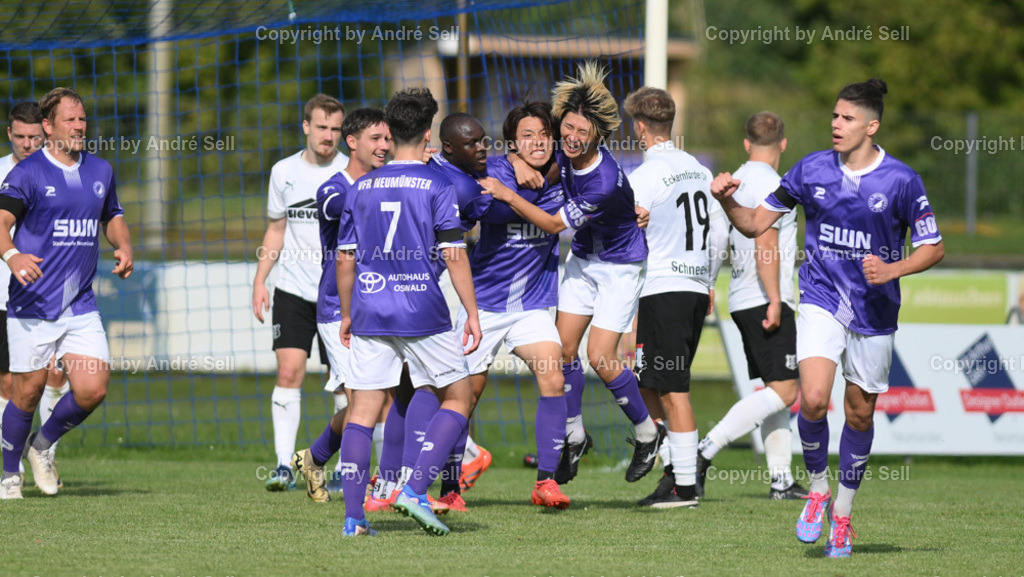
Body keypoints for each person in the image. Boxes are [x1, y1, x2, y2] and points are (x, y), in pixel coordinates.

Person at [710, 79, 944, 558]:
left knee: (859, 412)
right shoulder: (811, 168)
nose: (836, 124)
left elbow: (933, 247)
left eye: (847, 118)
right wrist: (727, 200)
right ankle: (818, 490)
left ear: (871, 127)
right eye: (835, 115)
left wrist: (893, 269)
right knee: (813, 399)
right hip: (820, 298)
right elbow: (754, 224)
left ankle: (843, 514)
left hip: (875, 310)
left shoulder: (901, 180)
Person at [480, 61, 659, 485]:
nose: (573, 136)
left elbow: (552, 225)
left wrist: (508, 193)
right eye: (569, 127)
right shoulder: (562, 150)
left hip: (619, 266)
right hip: (583, 259)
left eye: (583, 131)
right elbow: (531, 151)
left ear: (599, 134)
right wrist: (515, 159)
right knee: (562, 351)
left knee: (601, 358)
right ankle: (575, 435)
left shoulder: (604, 180)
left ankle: (648, 432)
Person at [335, 87, 480, 537]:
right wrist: (473, 313)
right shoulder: (437, 184)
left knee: (362, 411)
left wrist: (347, 313)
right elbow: (454, 254)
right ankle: (415, 490)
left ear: (390, 131)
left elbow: (345, 259)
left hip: (370, 309)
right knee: (458, 397)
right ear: (427, 134)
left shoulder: (360, 187)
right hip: (422, 311)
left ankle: (354, 519)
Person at [0, 87, 133, 499]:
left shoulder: (100, 170)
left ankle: (41, 446)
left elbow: (112, 215)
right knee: (26, 393)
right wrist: (13, 256)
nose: (79, 126)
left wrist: (123, 246)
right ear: (48, 125)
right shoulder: (28, 173)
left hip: (80, 304)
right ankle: (9, 474)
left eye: (82, 119)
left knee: (93, 389)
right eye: (70, 120)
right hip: (32, 303)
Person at [453, 101, 571, 508]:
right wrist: (514, 168)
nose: (537, 142)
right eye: (527, 136)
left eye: (544, 135)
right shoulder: (494, 172)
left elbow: (597, 163)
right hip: (484, 304)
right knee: (465, 395)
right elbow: (475, 192)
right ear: (512, 144)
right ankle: (451, 485)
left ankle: (546, 482)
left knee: (553, 376)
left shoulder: (566, 173)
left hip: (533, 305)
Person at [621, 87, 728, 508]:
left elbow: (624, 233)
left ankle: (686, 486)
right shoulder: (698, 169)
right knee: (648, 381)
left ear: (640, 127)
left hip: (663, 288)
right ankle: (673, 469)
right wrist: (708, 280)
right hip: (693, 289)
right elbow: (719, 232)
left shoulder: (644, 176)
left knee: (672, 388)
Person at [695, 112, 807, 500]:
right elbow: (766, 244)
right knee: (787, 391)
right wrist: (776, 299)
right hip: (765, 296)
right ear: (783, 144)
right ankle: (705, 449)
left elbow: (716, 239)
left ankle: (781, 480)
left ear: (746, 143)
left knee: (774, 389)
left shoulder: (733, 181)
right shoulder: (776, 184)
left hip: (741, 297)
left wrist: (710, 283)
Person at [289, 108, 391, 503]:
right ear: (352, 142)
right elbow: (338, 206)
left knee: (385, 399)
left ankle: (315, 458)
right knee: (366, 400)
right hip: (339, 309)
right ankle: (372, 490)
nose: (384, 146)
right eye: (375, 139)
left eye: (388, 139)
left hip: (382, 303)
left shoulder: (388, 181)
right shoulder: (333, 188)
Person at [251, 94, 348, 491]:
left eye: (336, 129)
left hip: (338, 295)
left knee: (344, 383)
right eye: (321, 127)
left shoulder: (350, 172)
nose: (328, 135)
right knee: (289, 371)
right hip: (292, 290)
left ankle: (346, 467)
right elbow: (276, 228)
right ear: (306, 126)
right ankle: (282, 466)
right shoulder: (283, 171)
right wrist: (260, 279)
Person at [0, 102, 70, 487]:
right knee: (11, 386)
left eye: (34, 138)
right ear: (9, 134)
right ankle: (14, 468)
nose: (27, 144)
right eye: (20, 137)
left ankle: (44, 453)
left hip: (52, 297)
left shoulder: (63, 171)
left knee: (55, 377)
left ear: (45, 135)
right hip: (4, 297)